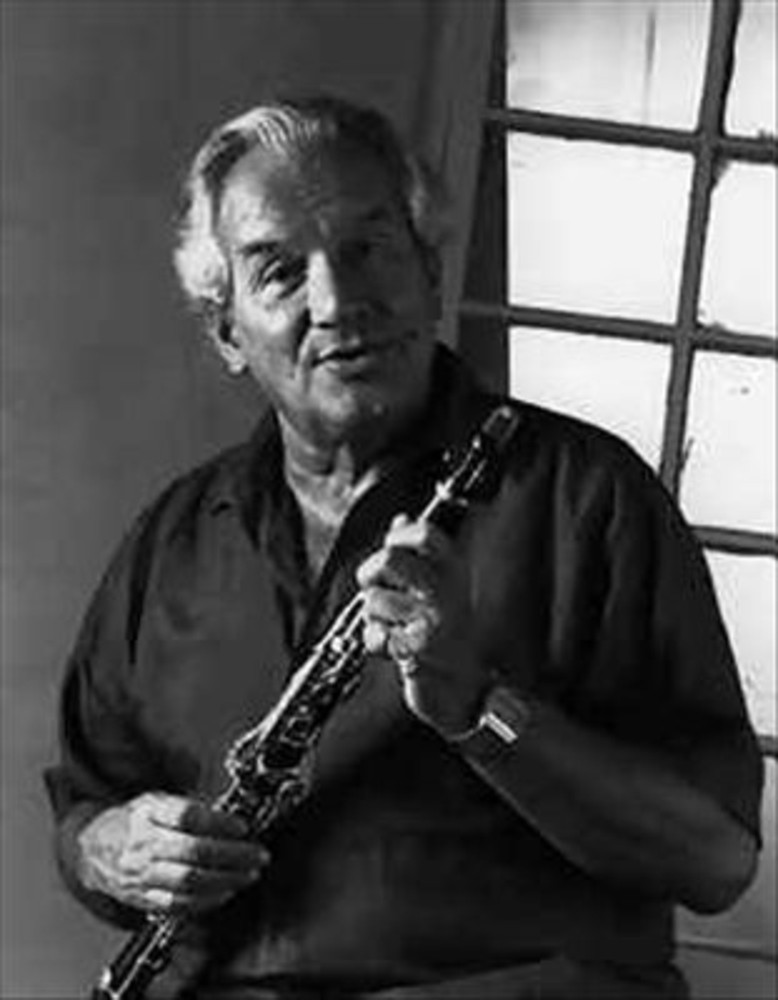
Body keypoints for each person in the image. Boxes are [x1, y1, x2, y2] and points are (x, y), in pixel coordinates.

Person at [45, 96, 763, 1000]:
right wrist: (109, 851)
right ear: (227, 331)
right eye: (279, 272)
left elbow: (715, 860)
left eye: (368, 250)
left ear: (428, 270)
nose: (337, 302)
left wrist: (479, 709)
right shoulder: (173, 540)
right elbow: (84, 808)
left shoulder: (590, 499)